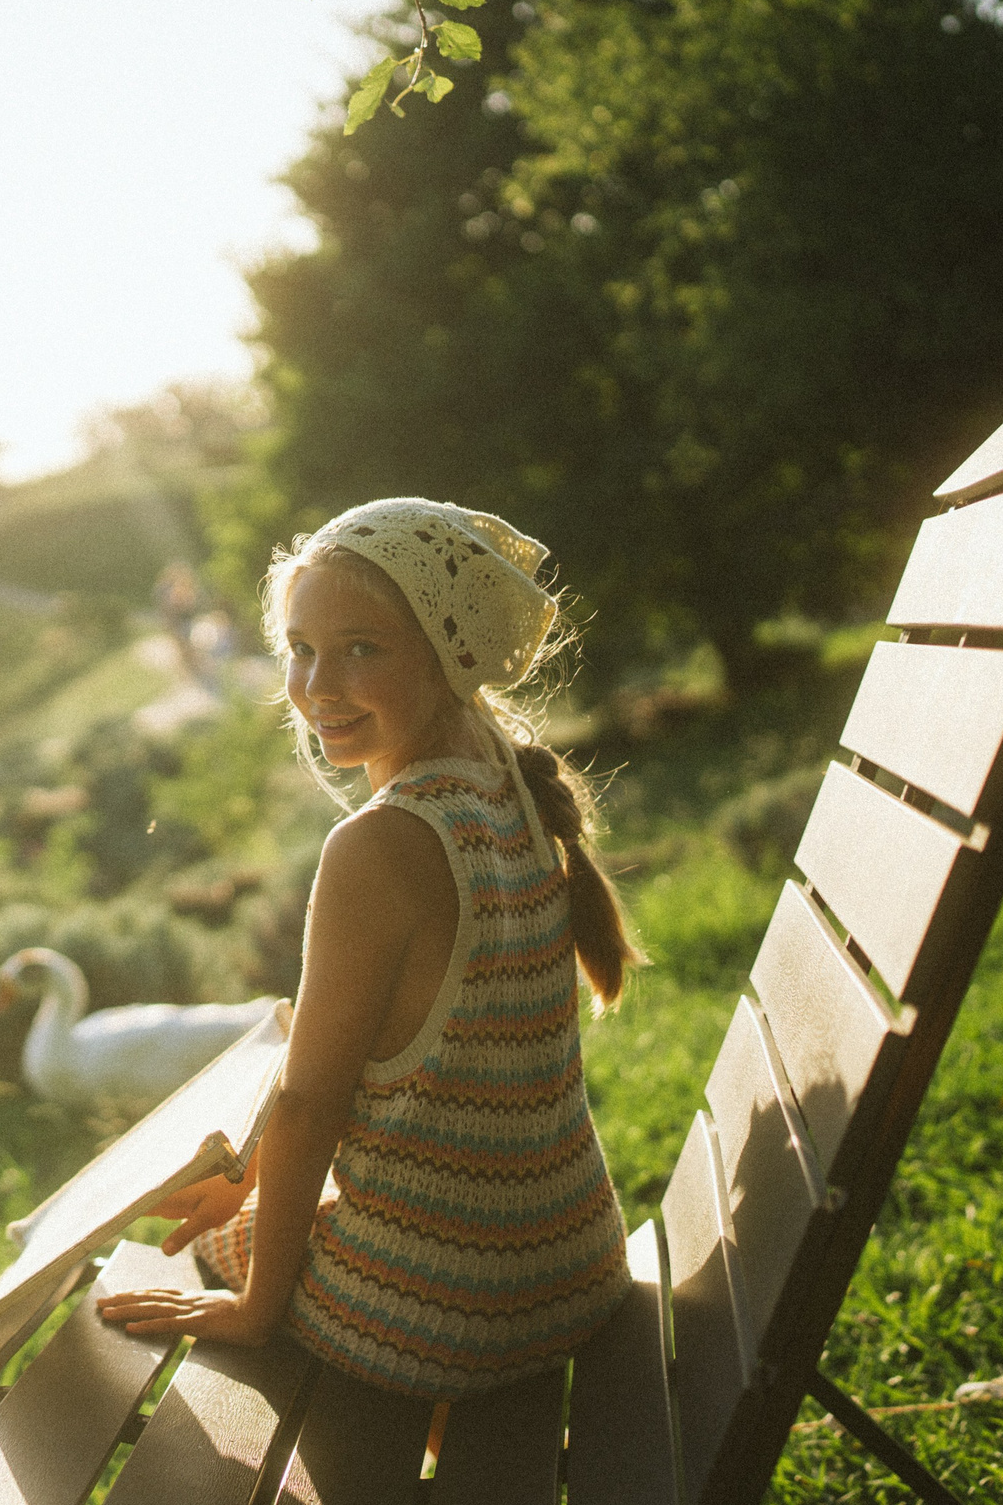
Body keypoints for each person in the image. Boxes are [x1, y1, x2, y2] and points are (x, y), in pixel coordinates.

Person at [97, 498, 639, 1399]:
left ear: (445, 651)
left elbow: (312, 1103)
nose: (317, 686)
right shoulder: (504, 772)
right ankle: (431, 1496)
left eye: (363, 648)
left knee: (150, 1266)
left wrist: (257, 1307)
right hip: (570, 1263)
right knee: (244, 1207)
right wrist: (250, 1176)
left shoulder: (381, 845)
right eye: (301, 649)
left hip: (452, 1312)